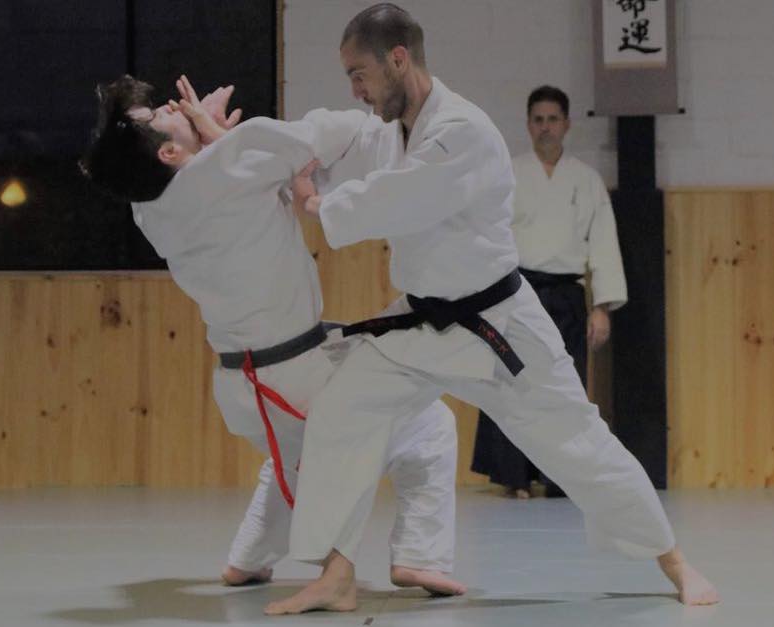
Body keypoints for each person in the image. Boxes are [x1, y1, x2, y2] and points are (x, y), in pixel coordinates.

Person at [264, 3, 718, 615]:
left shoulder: (463, 130)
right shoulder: (391, 129)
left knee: (579, 445)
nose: (356, 89)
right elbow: (337, 135)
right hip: (423, 324)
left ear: (399, 59)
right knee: (343, 408)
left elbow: (397, 199)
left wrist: (317, 205)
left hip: (498, 329)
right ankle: (338, 573)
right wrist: (243, 148)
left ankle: (675, 562)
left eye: (360, 73)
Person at [79, 74, 466, 596]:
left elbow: (216, 183)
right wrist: (223, 137)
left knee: (292, 456)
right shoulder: (236, 162)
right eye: (162, 117)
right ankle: (420, 555)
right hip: (290, 377)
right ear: (169, 150)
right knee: (428, 427)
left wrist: (215, 140)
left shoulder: (149, 209)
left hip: (246, 384)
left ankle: (249, 558)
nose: (173, 106)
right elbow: (334, 135)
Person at [471, 85, 627, 500]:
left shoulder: (586, 179)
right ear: (528, 125)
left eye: (552, 119)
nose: (545, 128)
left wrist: (602, 307)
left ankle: (560, 476)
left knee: (564, 387)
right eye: (538, 120)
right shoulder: (509, 173)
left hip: (566, 296)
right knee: (511, 383)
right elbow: (488, 234)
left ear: (566, 124)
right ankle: (515, 476)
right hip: (515, 292)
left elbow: (604, 245)